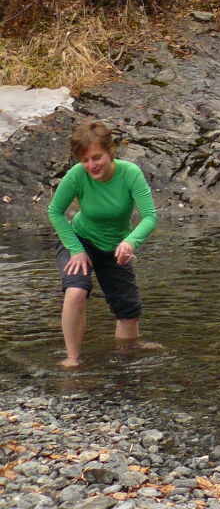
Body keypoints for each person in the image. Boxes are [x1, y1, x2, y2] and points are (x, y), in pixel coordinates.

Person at [47, 119, 158, 367]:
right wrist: (75, 250)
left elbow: (150, 216)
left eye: (96, 157)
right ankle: (72, 358)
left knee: (128, 314)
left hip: (116, 246)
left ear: (110, 151)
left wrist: (130, 242)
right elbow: (55, 211)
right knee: (76, 291)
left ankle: (126, 358)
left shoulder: (130, 174)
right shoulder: (77, 176)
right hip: (80, 240)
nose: (91, 165)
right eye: (85, 160)